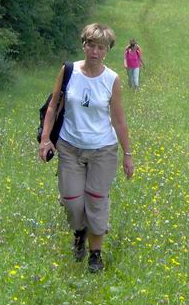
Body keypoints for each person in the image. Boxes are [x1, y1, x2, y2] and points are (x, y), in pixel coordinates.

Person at [38, 23, 134, 273]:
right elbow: (52, 106)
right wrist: (45, 138)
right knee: (72, 200)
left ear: (107, 50)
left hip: (103, 149)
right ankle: (79, 231)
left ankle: (95, 254)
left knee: (96, 200)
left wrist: (128, 154)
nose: (94, 51)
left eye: (100, 47)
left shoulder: (111, 79)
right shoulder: (68, 71)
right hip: (70, 147)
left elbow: (119, 120)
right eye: (90, 45)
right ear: (84, 45)